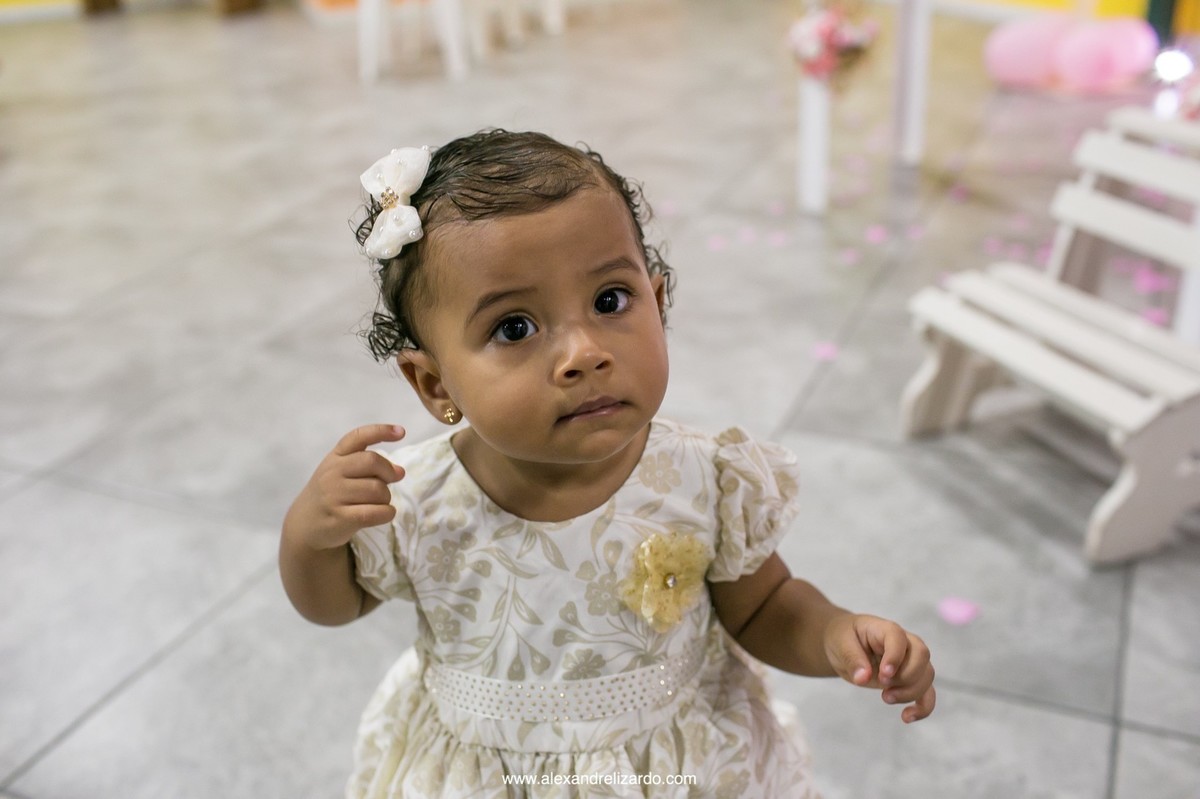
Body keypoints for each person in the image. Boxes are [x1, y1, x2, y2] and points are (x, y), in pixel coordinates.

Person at [279, 130, 936, 798]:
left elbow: (763, 604)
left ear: (658, 299)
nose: (584, 352)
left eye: (610, 300)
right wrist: (309, 534)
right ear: (435, 384)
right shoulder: (415, 497)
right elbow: (336, 603)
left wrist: (833, 634)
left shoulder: (703, 474)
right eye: (514, 327)